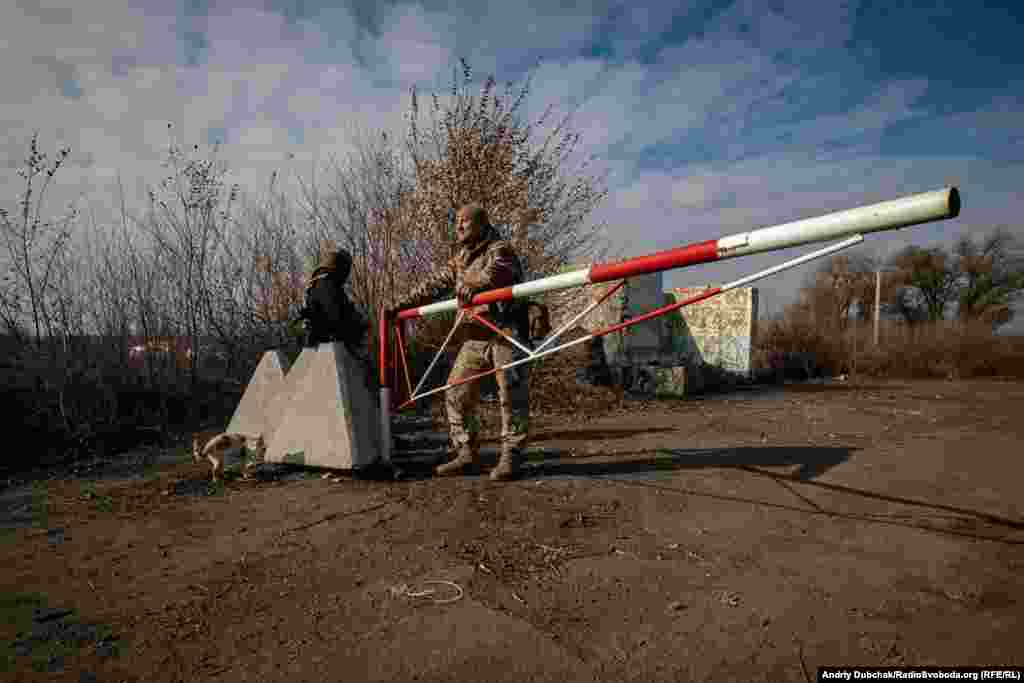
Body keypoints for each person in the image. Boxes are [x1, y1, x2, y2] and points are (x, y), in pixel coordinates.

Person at [390, 204, 531, 481]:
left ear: (481, 224)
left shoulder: (500, 248)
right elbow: (434, 284)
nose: (459, 227)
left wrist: (474, 282)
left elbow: (499, 272)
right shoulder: (460, 258)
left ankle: (512, 457)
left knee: (511, 395)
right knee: (455, 392)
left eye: (464, 222)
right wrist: (400, 305)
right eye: (457, 222)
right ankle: (467, 453)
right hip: (475, 336)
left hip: (504, 332)